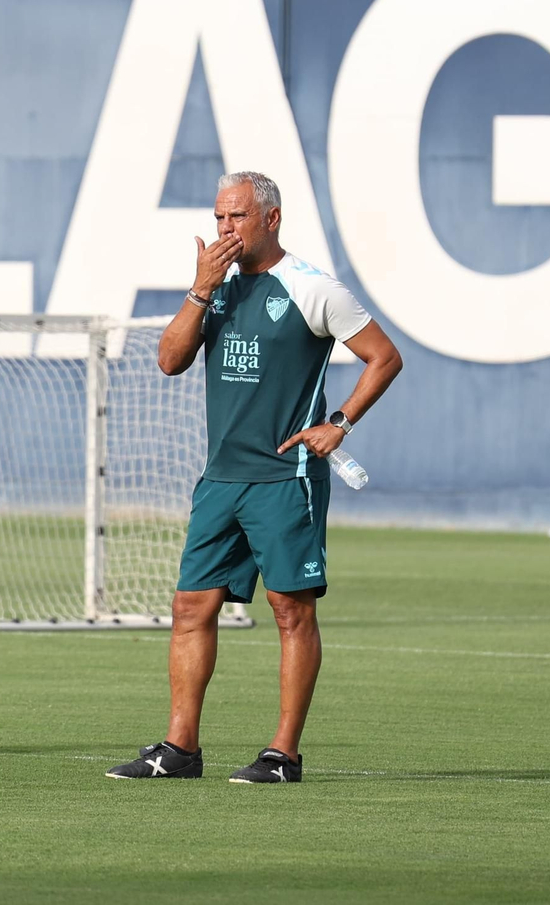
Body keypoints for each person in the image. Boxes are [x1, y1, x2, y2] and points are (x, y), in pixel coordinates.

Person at [106, 171, 403, 783]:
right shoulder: (214, 289)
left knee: (290, 612)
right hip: (221, 479)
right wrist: (198, 290)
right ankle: (180, 749)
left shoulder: (313, 288)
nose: (224, 229)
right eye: (218, 218)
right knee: (191, 607)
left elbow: (385, 356)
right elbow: (169, 360)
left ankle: (283, 754)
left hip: (284, 477)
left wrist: (340, 422)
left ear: (270, 219)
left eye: (236, 217)